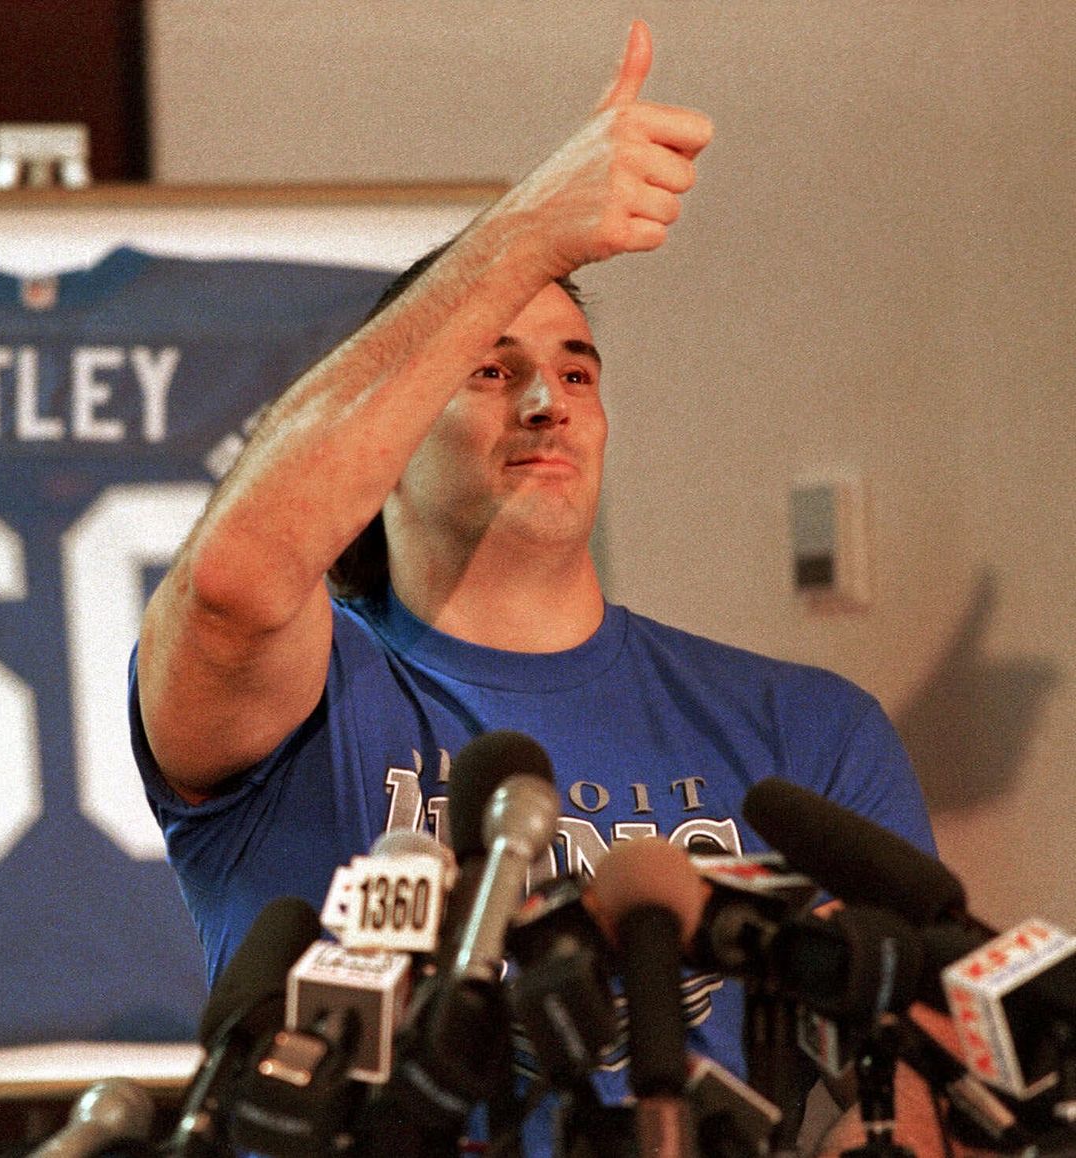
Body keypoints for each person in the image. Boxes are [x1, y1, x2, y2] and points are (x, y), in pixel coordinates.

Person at [129, 18, 944, 1155]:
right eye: (489, 369)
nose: (546, 401)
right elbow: (231, 587)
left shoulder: (803, 728)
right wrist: (527, 234)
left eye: (575, 368)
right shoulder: (308, 707)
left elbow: (902, 1100)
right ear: (388, 442)